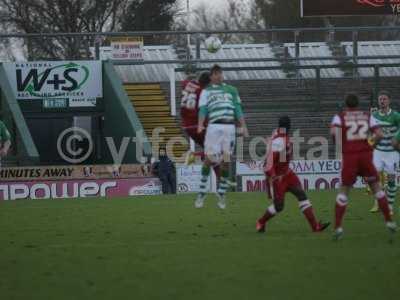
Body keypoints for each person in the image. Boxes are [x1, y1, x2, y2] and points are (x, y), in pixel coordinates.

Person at [330, 93, 397, 240]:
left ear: (346, 104)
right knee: (377, 188)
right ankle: (389, 222)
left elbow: (334, 133)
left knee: (344, 190)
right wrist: (369, 144)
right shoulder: (367, 115)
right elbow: (379, 134)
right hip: (366, 156)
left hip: (350, 157)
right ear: (357, 104)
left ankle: (338, 227)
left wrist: (340, 143)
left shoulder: (339, 116)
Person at [256, 116, 330, 233]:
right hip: (279, 178)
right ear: (289, 127)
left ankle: (315, 226)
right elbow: (267, 163)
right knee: (279, 206)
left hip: (288, 174)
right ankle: (261, 221)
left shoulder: (278, 133)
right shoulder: (279, 142)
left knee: (301, 194)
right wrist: (273, 176)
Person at [195, 64, 249, 209]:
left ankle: (221, 193)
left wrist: (243, 126)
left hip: (229, 128)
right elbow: (203, 109)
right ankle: (202, 192)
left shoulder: (232, 90)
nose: (219, 75)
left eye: (221, 73)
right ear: (211, 76)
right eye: (216, 74)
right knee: (209, 159)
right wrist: (200, 124)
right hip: (214, 127)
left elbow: (238, 109)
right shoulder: (206, 91)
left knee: (226, 161)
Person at [369, 90, 400, 215]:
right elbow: (371, 132)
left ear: (389, 101)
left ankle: (390, 206)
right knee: (373, 178)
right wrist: (371, 143)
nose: (382, 101)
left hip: (392, 152)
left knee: (392, 179)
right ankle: (379, 201)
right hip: (378, 152)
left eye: (384, 99)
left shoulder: (396, 116)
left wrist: (396, 138)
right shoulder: (374, 116)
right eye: (380, 99)